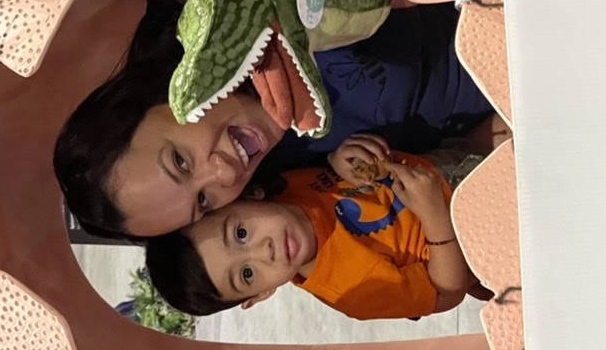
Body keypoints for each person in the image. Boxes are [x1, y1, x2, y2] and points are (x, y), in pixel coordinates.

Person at [54, 0, 497, 240]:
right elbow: (454, 149)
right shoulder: (295, 172)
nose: (223, 175)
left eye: (181, 161)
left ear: (153, 99)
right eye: (203, 202)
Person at [144, 136, 477, 321]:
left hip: (450, 159)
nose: (264, 252)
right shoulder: (353, 291)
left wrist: (337, 157)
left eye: (241, 234)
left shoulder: (286, 182)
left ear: (245, 196)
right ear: (260, 294)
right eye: (247, 274)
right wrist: (435, 216)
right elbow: (447, 293)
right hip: (479, 235)